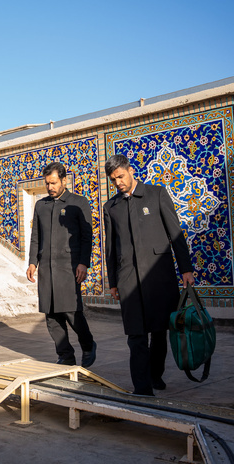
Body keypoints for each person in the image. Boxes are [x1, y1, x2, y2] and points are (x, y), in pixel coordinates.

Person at [103, 154, 195, 396]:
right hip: (128, 280)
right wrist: (113, 282)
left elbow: (175, 234)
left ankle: (155, 374)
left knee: (159, 332)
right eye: (114, 180)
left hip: (159, 278)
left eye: (121, 177)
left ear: (130, 171)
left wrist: (186, 268)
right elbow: (111, 248)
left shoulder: (156, 194)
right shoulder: (110, 208)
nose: (118, 183)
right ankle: (142, 388)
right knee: (136, 336)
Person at [26, 162, 97, 367]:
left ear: (64, 180)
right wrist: (32, 262)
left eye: (54, 183)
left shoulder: (78, 203)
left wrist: (84, 263)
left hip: (69, 267)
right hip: (46, 268)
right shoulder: (41, 205)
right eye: (47, 183)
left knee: (72, 311)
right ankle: (65, 354)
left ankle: (88, 345)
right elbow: (35, 236)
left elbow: (86, 237)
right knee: (51, 314)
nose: (50, 187)